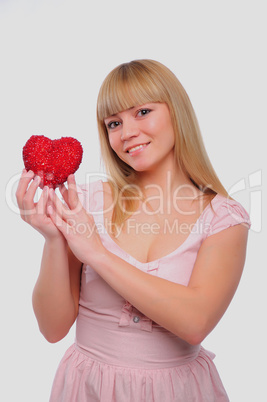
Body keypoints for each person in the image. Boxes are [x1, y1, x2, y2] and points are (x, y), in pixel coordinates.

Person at [16, 59, 250, 402]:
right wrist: (53, 240)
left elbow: (196, 321)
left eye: (142, 112)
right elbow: (52, 329)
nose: (126, 133)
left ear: (176, 111)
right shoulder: (90, 203)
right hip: (88, 388)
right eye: (114, 122)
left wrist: (96, 253)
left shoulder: (224, 218)